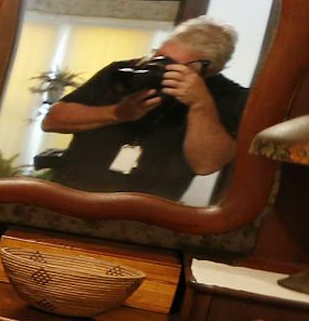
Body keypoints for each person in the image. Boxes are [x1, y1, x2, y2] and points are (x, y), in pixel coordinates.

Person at [39, 16, 248, 199]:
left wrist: (200, 104)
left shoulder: (228, 96)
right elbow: (52, 120)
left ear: (206, 70)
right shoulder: (125, 71)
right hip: (71, 193)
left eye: (169, 63)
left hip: (145, 214)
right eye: (157, 55)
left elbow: (206, 165)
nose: (156, 65)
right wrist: (117, 113)